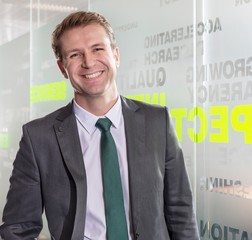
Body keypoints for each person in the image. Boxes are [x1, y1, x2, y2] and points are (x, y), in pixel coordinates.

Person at [0, 11, 199, 240]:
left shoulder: (157, 121)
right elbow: (17, 229)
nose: (89, 62)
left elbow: (180, 213)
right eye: (75, 54)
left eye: (98, 49)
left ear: (116, 55)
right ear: (62, 68)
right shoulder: (38, 138)